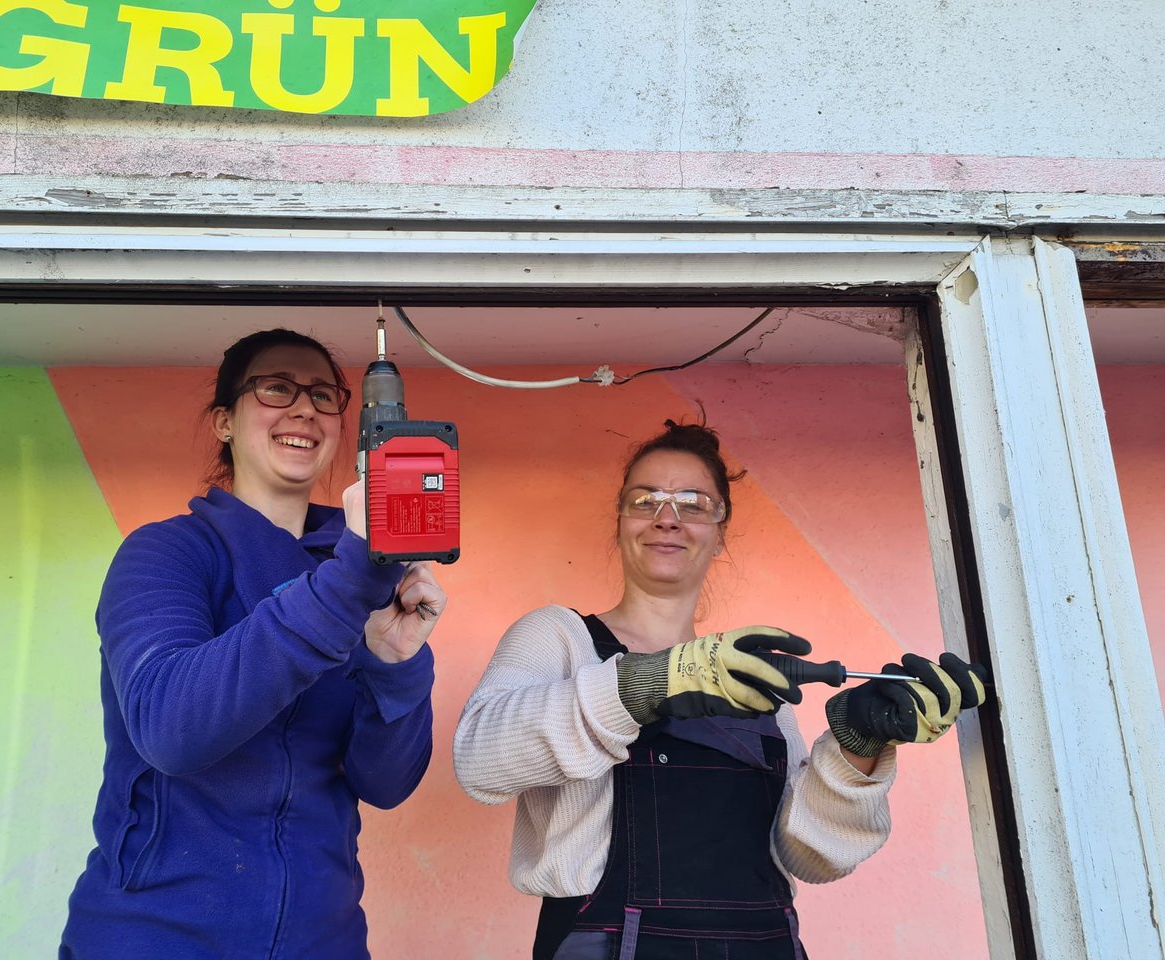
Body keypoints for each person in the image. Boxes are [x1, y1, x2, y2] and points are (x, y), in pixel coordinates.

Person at [453, 420, 988, 960]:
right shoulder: (560, 637)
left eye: (693, 503)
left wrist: (857, 747)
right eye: (645, 500)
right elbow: (479, 760)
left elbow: (808, 857)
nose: (667, 517)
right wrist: (647, 683)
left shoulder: (751, 674)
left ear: (721, 531)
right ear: (619, 522)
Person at [60, 328, 445, 959]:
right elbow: (170, 730)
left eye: (324, 395)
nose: (305, 409)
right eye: (276, 388)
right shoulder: (166, 552)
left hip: (325, 942)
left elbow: (385, 783)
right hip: (154, 939)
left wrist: (394, 662)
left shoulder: (364, 571)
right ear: (224, 421)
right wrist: (347, 581)